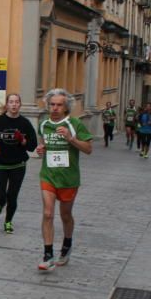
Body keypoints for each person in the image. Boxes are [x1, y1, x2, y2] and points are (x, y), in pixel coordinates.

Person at [35, 88, 93, 272]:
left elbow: (88, 149)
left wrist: (71, 138)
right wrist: (41, 149)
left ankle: (66, 246)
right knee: (47, 213)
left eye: (59, 105)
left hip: (69, 178)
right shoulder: (43, 124)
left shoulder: (75, 123)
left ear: (66, 107)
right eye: (52, 104)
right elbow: (44, 144)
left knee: (65, 215)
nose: (55, 108)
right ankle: (48, 255)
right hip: (48, 175)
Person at [0, 93, 38, 234]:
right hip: (0, 164)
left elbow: (32, 145)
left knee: (13, 196)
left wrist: (23, 141)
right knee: (0, 195)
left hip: (18, 165)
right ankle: (0, 203)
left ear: (20, 105)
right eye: (11, 102)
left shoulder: (24, 123)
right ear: (7, 104)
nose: (14, 104)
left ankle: (8, 221)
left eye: (17, 102)